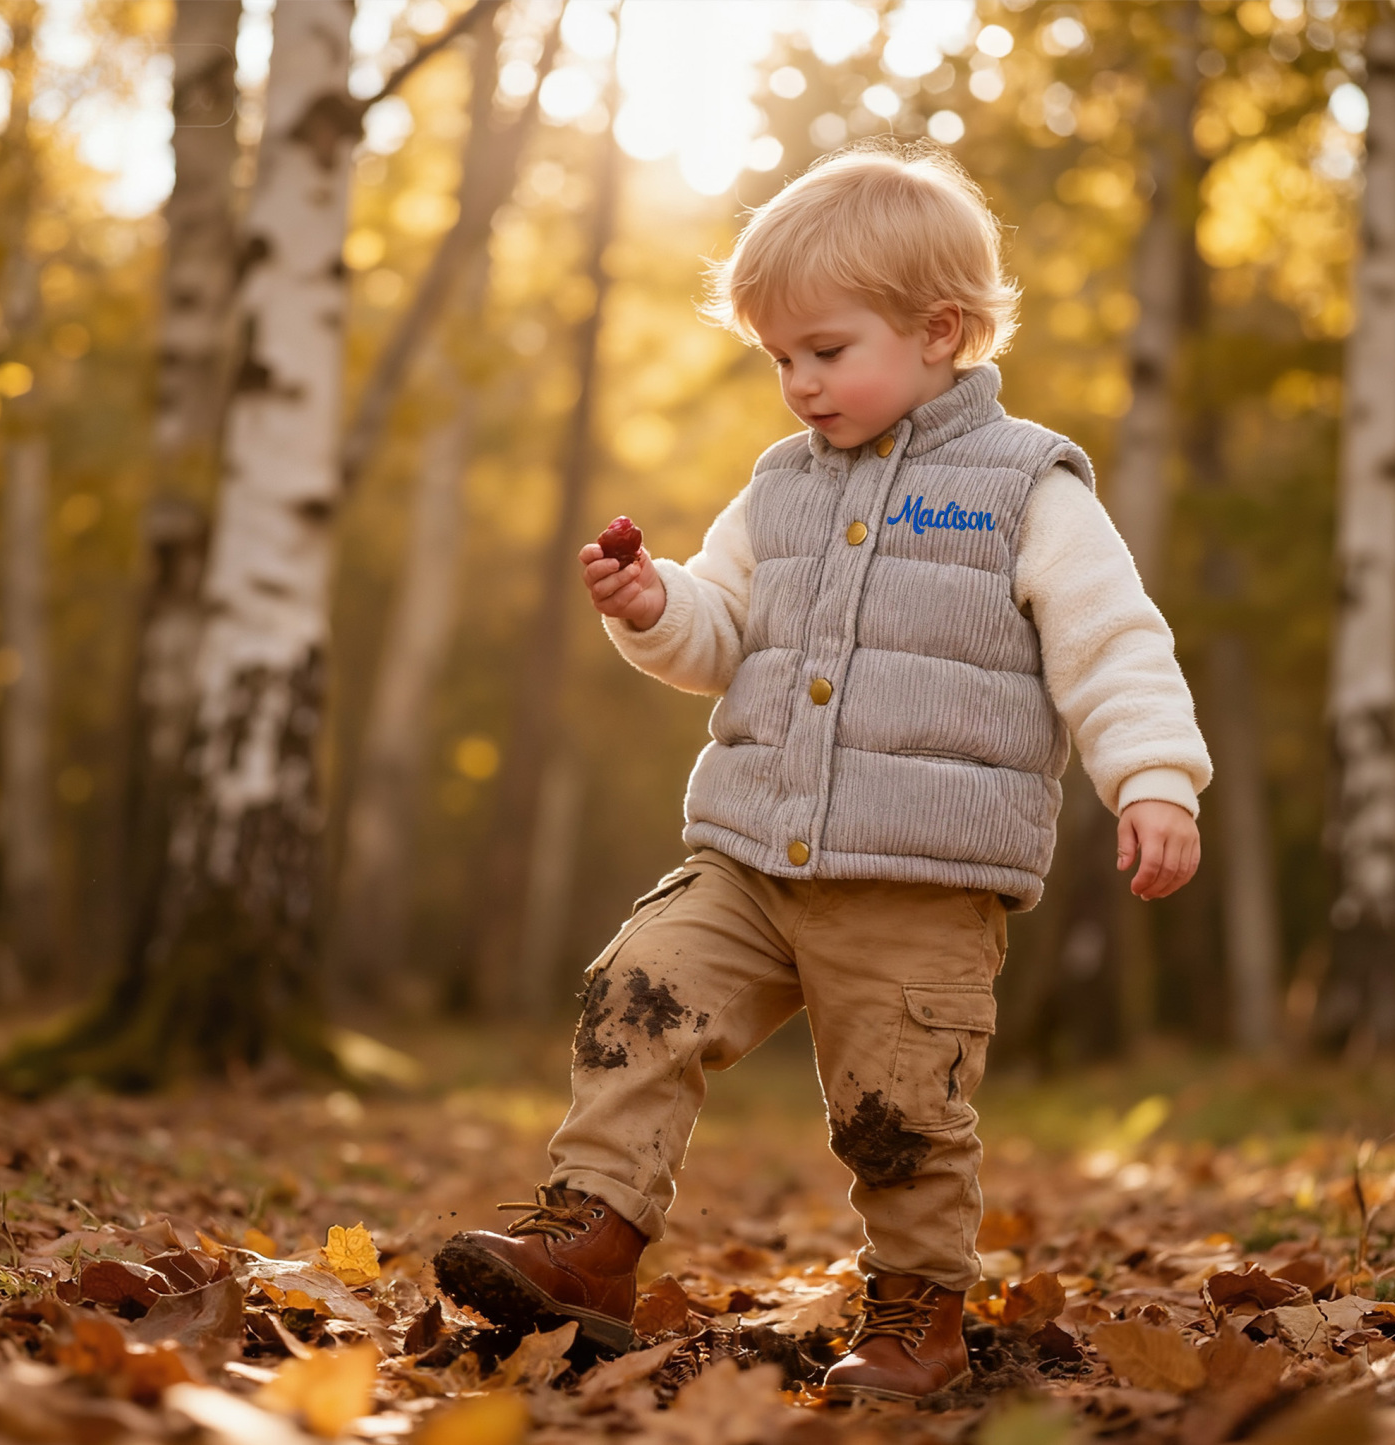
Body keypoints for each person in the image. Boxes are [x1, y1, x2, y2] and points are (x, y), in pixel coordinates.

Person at [434, 143, 1211, 1402]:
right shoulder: (777, 490)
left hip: (920, 875)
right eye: (778, 358)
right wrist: (650, 602)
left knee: (896, 1111)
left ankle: (915, 1314)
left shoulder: (1025, 487)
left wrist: (1154, 778)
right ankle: (589, 1237)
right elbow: (715, 635)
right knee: (641, 988)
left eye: (825, 351)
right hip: (750, 853)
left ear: (938, 330)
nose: (797, 383)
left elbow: (1112, 643)